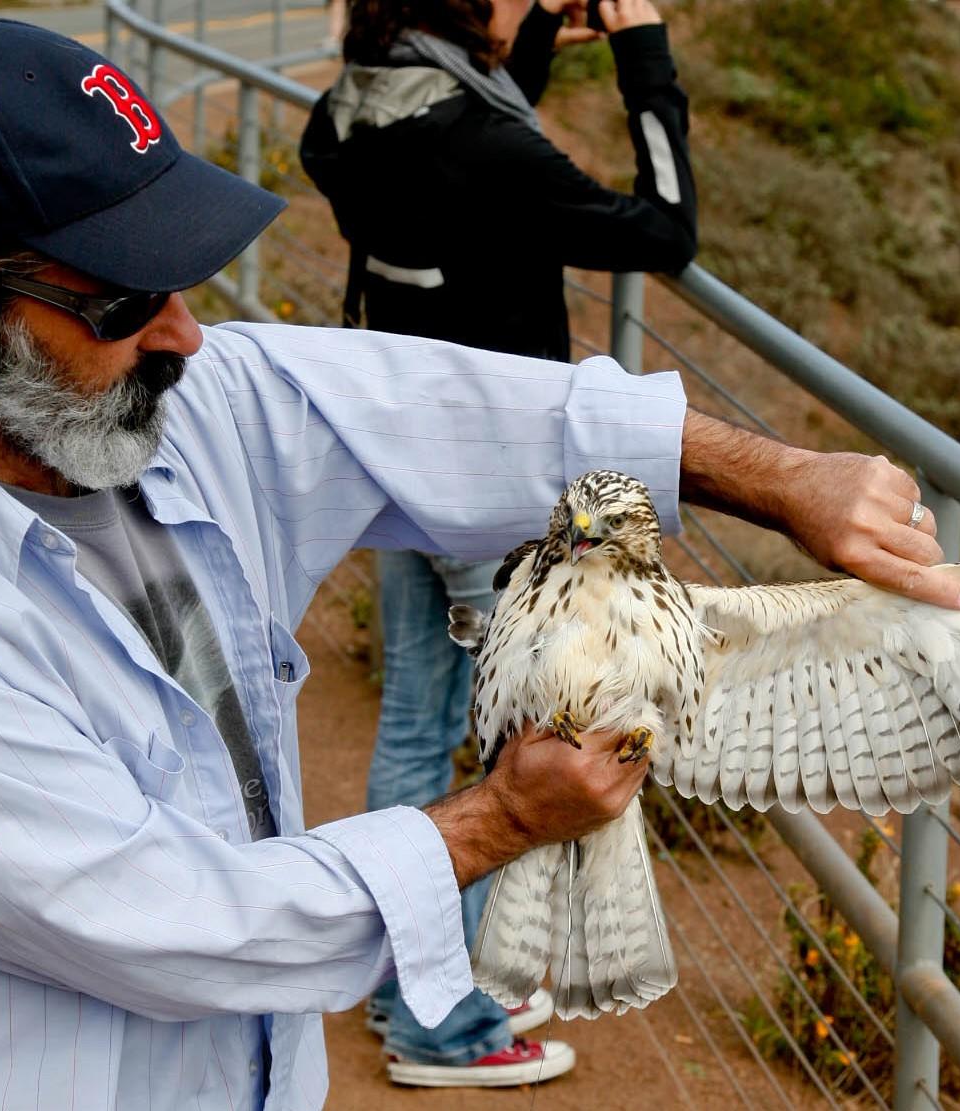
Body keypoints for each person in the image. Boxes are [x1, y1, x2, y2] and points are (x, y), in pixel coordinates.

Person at [0, 16, 960, 1111]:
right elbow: (164, 919)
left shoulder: (182, 401)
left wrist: (775, 480)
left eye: (182, 279)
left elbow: (452, 410)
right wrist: (497, 821)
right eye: (124, 298)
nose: (183, 332)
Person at [297, 0, 697, 1084]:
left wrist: (520, 53)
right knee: (503, 757)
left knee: (416, 735)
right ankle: (447, 1026)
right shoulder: (478, 146)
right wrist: (641, 50)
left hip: (396, 470)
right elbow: (663, 229)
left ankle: (404, 989)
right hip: (493, 491)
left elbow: (470, 143)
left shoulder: (343, 118)